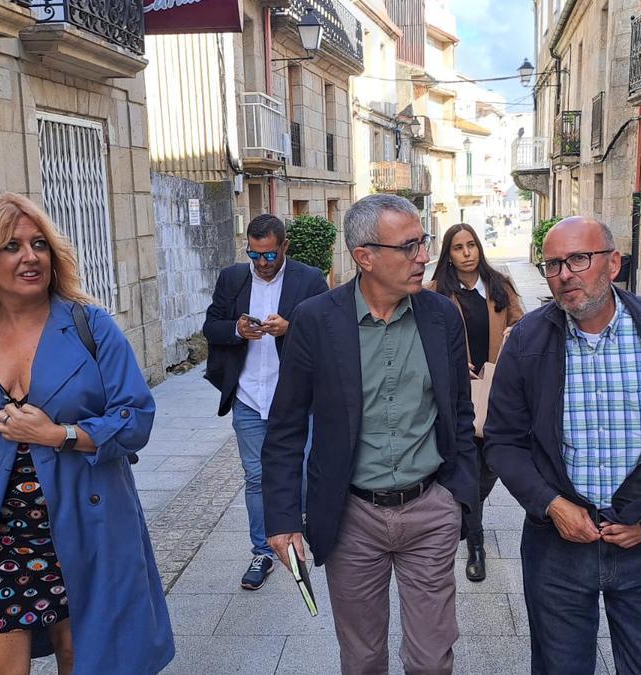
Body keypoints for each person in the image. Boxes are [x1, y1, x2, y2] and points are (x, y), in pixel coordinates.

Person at [0, 193, 173, 674]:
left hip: (86, 525)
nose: (30, 257)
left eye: (38, 244)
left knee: (86, 657)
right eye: (11, 246)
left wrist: (60, 434)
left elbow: (136, 417)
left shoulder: (91, 325)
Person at [485, 216, 641, 675]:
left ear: (613, 263)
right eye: (554, 264)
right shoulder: (527, 343)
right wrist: (551, 504)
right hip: (556, 546)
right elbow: (503, 442)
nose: (564, 274)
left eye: (579, 258)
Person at [262, 194, 478, 675]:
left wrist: (459, 496)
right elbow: (285, 428)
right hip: (351, 517)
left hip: (430, 510)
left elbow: (460, 414)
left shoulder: (441, 316)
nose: (424, 256)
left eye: (423, 242)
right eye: (409, 247)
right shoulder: (317, 320)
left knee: (431, 661)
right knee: (361, 660)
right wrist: (281, 519)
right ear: (365, 257)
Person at [202, 214, 328, 590]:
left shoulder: (308, 279)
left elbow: (330, 334)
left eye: (269, 256)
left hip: (296, 397)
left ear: (284, 247)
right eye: (254, 255)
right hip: (248, 397)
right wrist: (236, 330)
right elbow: (211, 326)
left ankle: (298, 527)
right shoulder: (233, 279)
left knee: (303, 468)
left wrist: (291, 329)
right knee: (256, 477)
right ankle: (263, 551)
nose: (261, 264)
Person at [427, 222, 524, 581]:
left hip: (497, 392)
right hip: (457, 396)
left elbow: (523, 325)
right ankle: (476, 543)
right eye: (458, 247)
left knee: (491, 466)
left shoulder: (500, 284)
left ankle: (466, 517)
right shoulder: (435, 292)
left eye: (471, 245)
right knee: (466, 461)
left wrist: (515, 333)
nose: (467, 253)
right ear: (448, 254)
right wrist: (449, 359)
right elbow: (423, 339)